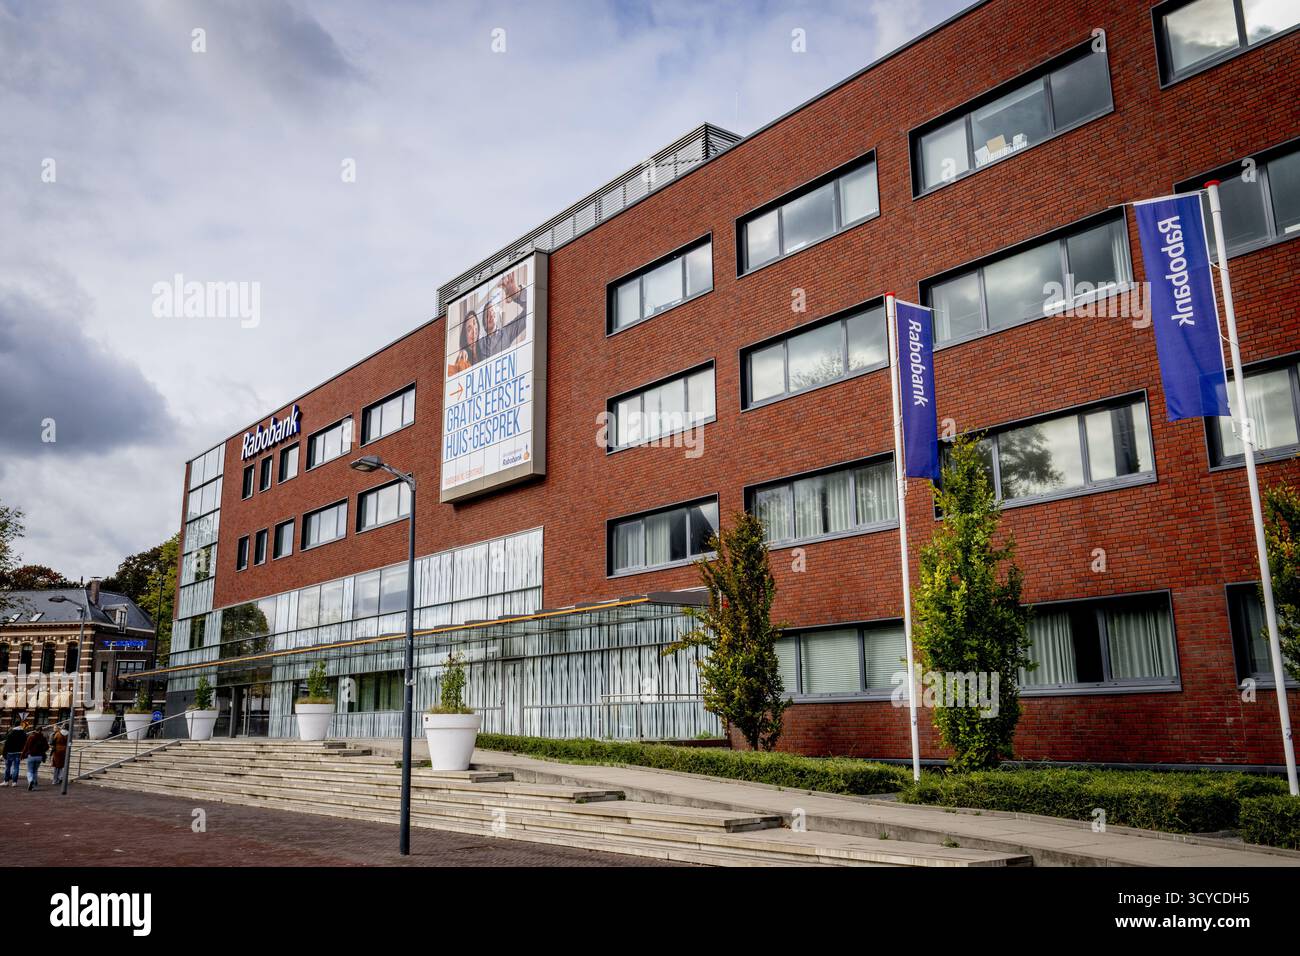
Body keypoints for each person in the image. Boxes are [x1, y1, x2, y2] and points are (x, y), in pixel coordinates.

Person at [446, 307, 483, 376]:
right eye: (469, 329)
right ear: (465, 336)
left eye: (474, 323)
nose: (474, 331)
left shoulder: (484, 349)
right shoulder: (463, 359)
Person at [21, 724, 47, 790]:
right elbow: (47, 747)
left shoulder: (31, 737)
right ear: (41, 730)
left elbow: (26, 746)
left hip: (31, 756)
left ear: (35, 730)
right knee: (35, 770)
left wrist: (23, 755)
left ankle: (30, 781)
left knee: (30, 770)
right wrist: (42, 751)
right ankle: (34, 783)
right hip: (39, 756)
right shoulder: (43, 738)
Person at [2, 722, 26, 787]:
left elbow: (6, 744)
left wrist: (3, 753)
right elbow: (25, 744)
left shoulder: (11, 733)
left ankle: (6, 781)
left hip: (10, 752)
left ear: (14, 725)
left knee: (8, 767)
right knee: (16, 767)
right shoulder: (24, 733)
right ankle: (14, 782)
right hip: (19, 752)